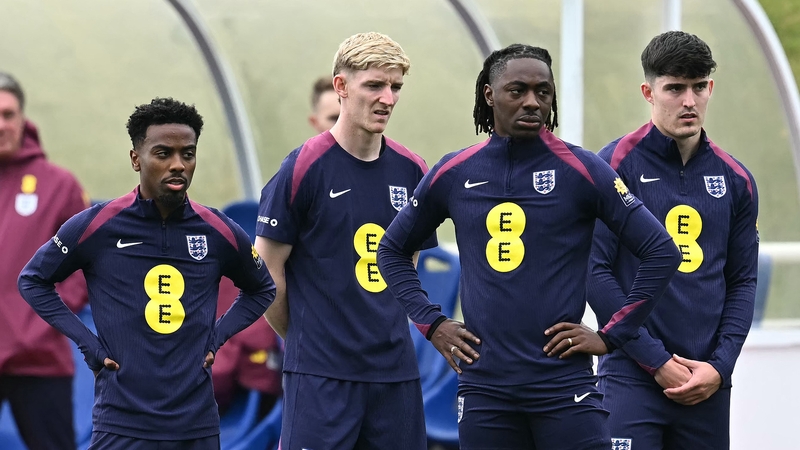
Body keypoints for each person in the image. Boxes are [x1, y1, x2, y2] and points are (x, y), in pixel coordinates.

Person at [377, 43, 682, 449]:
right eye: (517, 90)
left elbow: (662, 252)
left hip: (564, 387)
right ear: (490, 95)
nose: (532, 102)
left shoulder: (583, 169)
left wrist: (612, 336)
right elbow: (391, 250)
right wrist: (432, 324)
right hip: (485, 389)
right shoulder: (455, 171)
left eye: (543, 92)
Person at [17, 97, 276, 449]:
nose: (178, 165)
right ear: (136, 158)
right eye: (163, 153)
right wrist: (88, 344)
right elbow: (33, 280)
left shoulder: (218, 230)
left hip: (196, 427)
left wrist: (218, 337)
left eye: (188, 154)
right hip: (121, 424)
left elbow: (262, 288)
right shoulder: (98, 225)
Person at [254, 32, 436, 450]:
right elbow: (266, 274)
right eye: (374, 85)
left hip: (395, 374)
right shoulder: (303, 167)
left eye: (396, 87)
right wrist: (307, 339)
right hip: (320, 376)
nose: (388, 99)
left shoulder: (412, 169)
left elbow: (406, 267)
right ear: (341, 86)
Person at [587, 31, 759, 450]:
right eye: (675, 88)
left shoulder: (736, 180)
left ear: (710, 88)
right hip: (631, 375)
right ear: (648, 92)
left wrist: (720, 366)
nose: (689, 101)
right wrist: (657, 361)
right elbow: (594, 272)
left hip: (706, 383)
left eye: (699, 87)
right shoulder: (613, 165)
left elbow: (742, 281)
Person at [0, 72, 89, 450]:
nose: (0, 125)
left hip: (39, 360)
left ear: (23, 119)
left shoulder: (59, 186)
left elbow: (84, 265)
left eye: (8, 114)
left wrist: (41, 319)